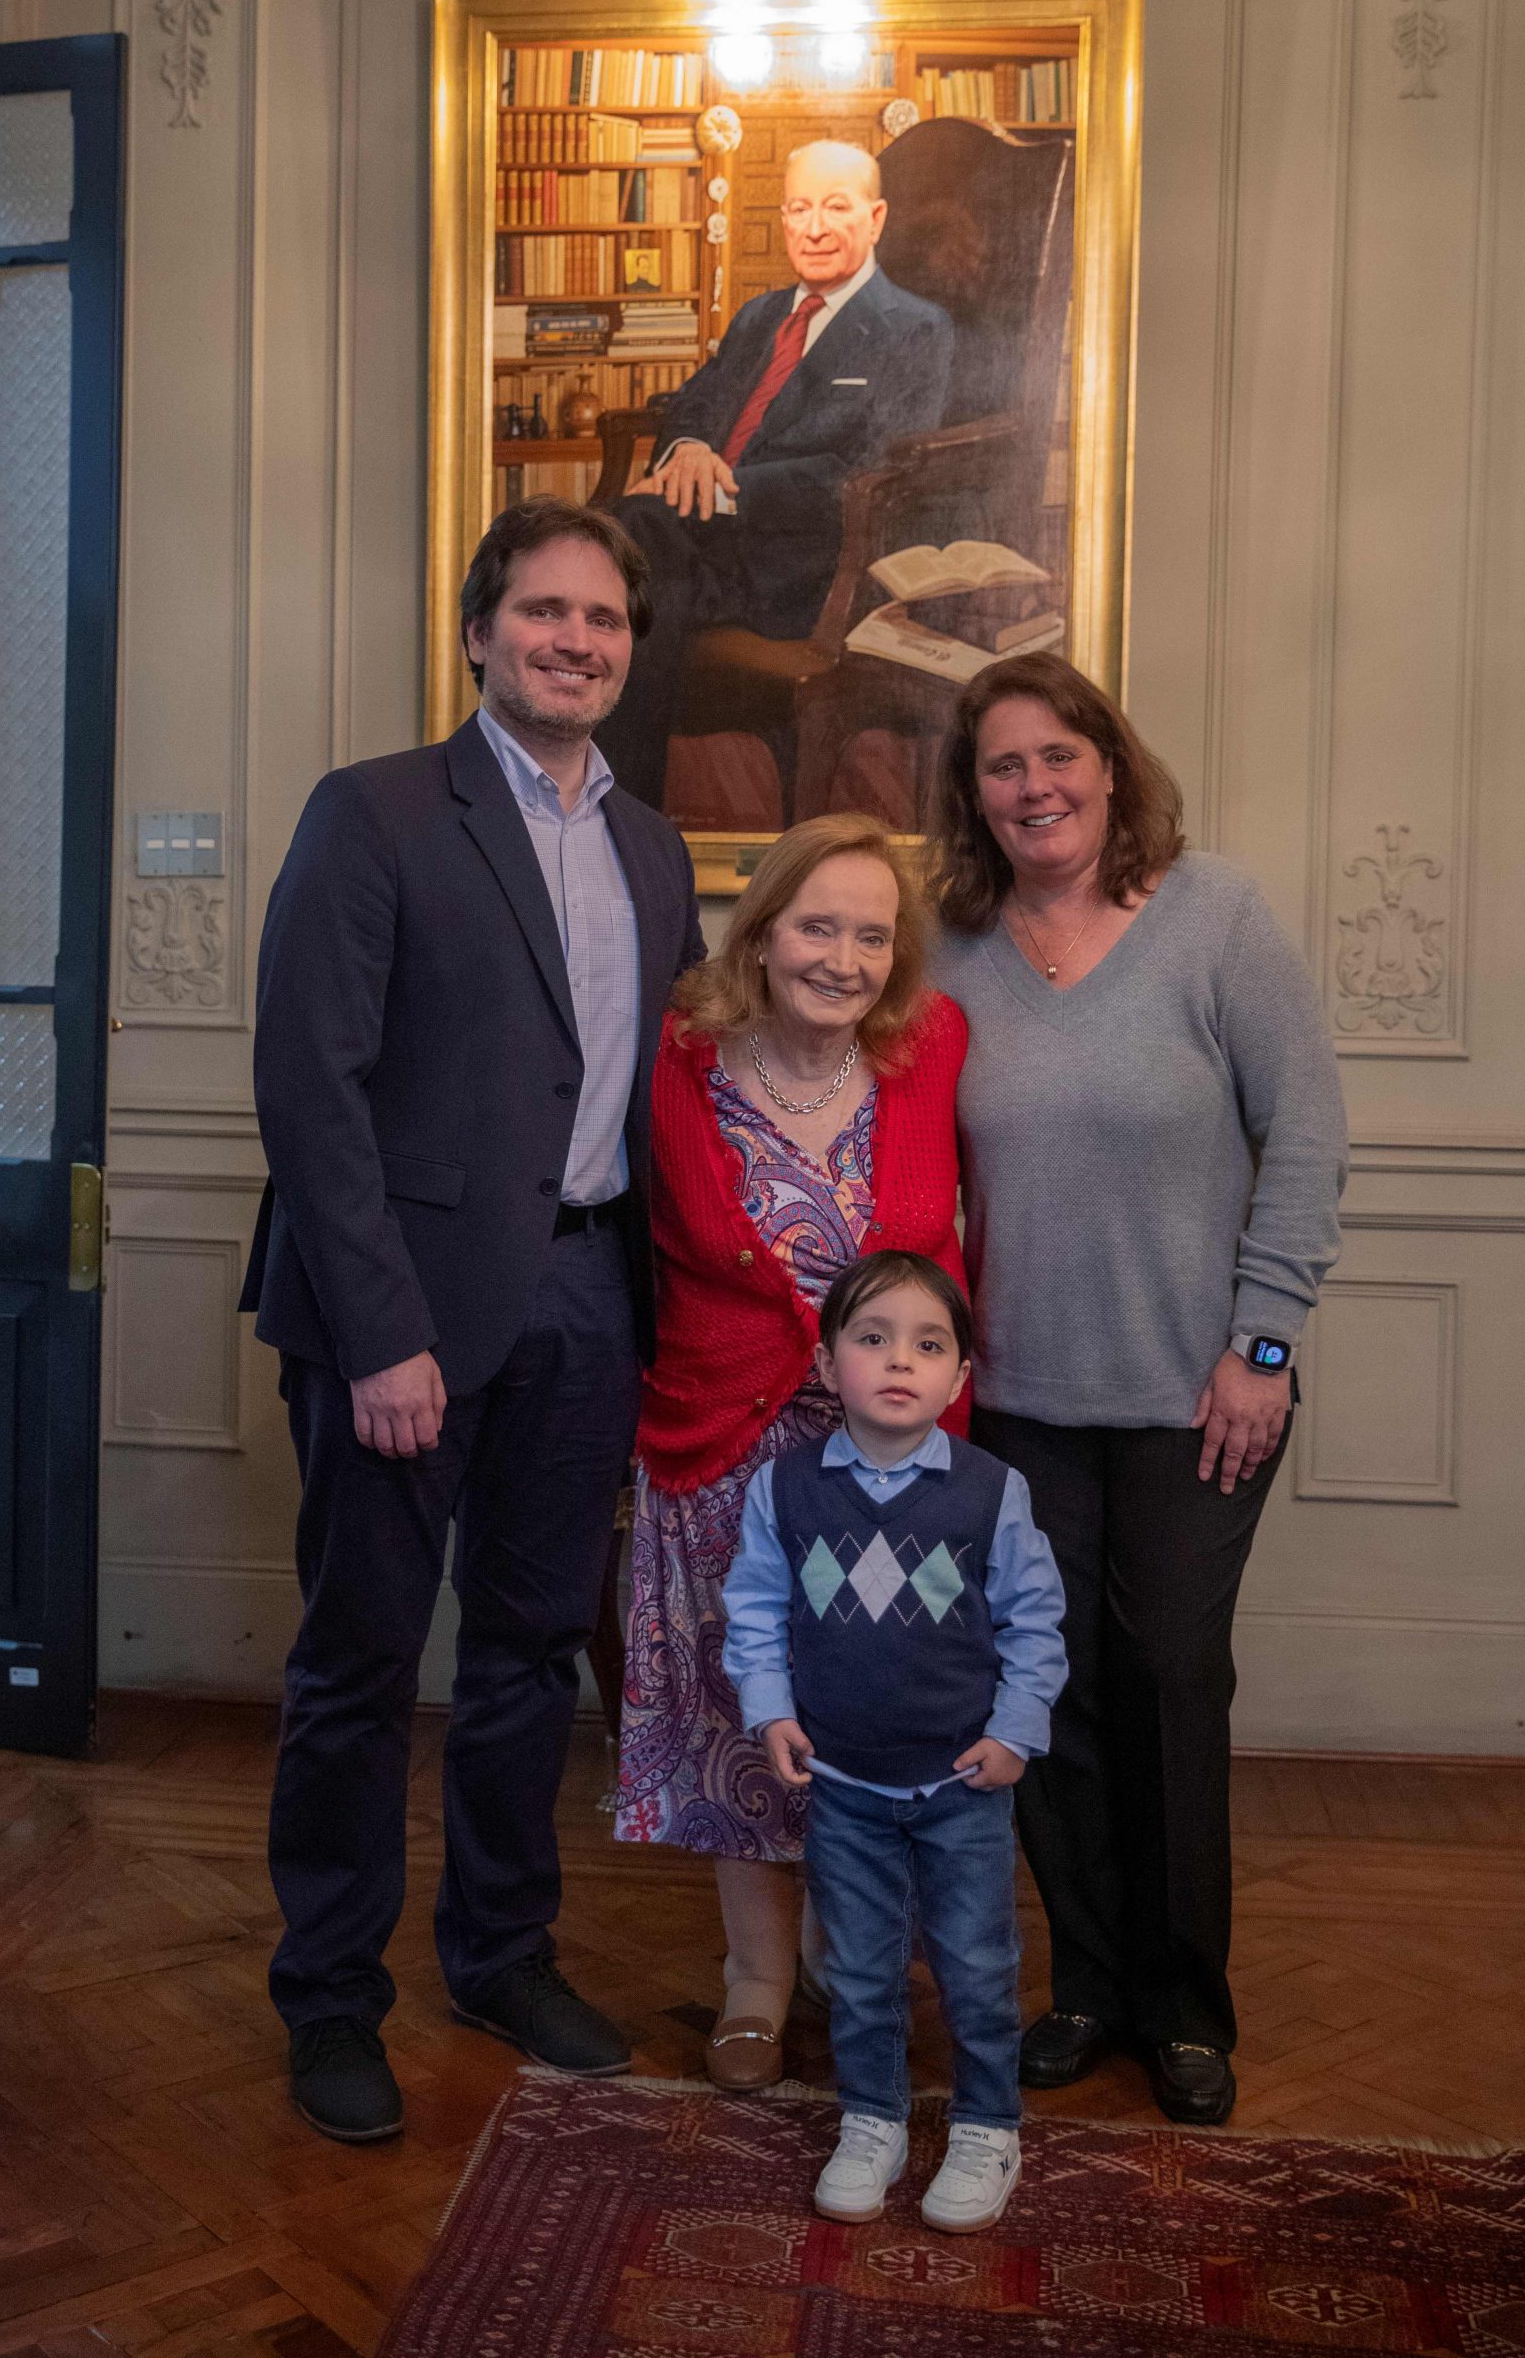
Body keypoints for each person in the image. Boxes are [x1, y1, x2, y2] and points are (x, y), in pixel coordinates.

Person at [242, 495, 702, 2144]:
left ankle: (501, 1954)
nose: (577, 641)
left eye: (604, 621)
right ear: (476, 632)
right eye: (545, 613)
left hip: (589, 1297)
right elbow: (311, 1089)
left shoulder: (650, 848)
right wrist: (378, 1336)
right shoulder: (372, 815)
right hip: (402, 1319)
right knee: (361, 1666)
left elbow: (658, 1094)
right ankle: (329, 2002)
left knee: (525, 1661)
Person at [927, 649, 1348, 2127]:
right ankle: (1089, 1985)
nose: (1034, 786)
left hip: (1196, 1394)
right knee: (1050, 1693)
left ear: (1108, 764)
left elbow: (1301, 1137)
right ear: (968, 796)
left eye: (1058, 756)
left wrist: (1266, 1346)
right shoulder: (946, 945)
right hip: (1018, 1401)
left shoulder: (1213, 916)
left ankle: (1182, 2007)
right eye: (1001, 766)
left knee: (1168, 1678)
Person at [614, 814, 968, 2094]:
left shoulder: (930, 1053)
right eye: (817, 925)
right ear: (759, 934)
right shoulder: (679, 1056)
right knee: (739, 1720)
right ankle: (753, 1982)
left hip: (890, 1467)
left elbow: (957, 1254)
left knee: (872, 1718)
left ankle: (845, 1957)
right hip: (724, 1451)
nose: (844, 956)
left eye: (873, 933)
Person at [722, 1252, 1067, 2233]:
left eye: (928, 1344)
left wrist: (1015, 1731)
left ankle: (986, 2124)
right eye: (872, 1339)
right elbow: (754, 1611)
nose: (899, 1362)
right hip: (844, 1781)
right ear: (829, 1363)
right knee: (863, 1968)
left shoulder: (990, 1492)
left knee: (976, 1960)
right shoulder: (783, 1491)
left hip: (962, 1778)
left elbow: (1033, 1624)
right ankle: (871, 2119)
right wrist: (771, 1708)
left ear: (960, 1377)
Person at [597, 140, 955, 806]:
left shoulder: (914, 330)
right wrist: (689, 454)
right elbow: (691, 407)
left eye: (835, 207)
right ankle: (608, 792)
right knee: (601, 545)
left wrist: (719, 492)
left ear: (874, 219)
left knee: (626, 536)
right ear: (784, 219)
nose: (814, 227)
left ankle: (621, 804)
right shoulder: (760, 316)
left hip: (798, 569)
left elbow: (870, 466)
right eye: (798, 208)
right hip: (697, 546)